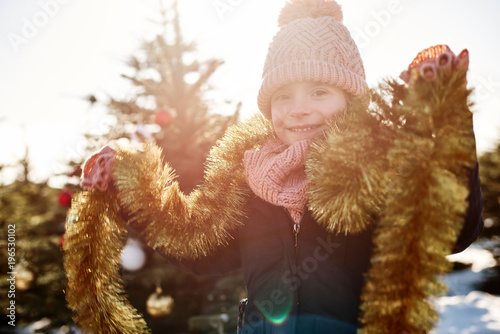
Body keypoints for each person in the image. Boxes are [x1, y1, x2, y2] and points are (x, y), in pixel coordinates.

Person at [80, 0, 483, 333]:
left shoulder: (376, 170)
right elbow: (194, 246)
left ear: (352, 100)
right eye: (282, 96)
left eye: (320, 91)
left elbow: (450, 227)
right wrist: (130, 189)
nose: (298, 109)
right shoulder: (246, 180)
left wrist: (444, 116)